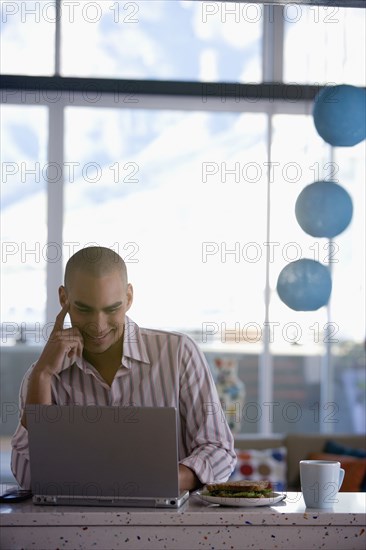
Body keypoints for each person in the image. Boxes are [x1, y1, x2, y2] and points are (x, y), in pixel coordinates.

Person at [11, 246, 236, 491]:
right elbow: (29, 478)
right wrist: (42, 376)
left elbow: (219, 451)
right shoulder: (43, 375)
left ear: (128, 298)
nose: (98, 325)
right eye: (84, 309)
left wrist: (157, 479)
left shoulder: (179, 352)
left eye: (111, 309)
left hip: (169, 524)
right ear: (64, 299)